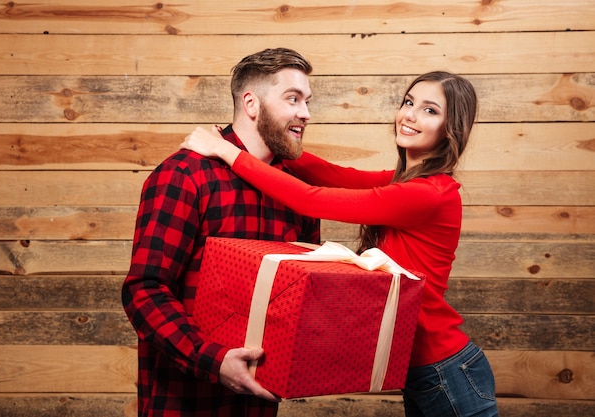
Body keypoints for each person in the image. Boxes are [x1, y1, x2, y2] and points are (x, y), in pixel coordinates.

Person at [181, 71, 499, 417]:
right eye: (409, 103)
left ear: (450, 129)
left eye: (430, 110)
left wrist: (227, 151)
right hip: (427, 372)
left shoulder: (428, 195)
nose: (410, 115)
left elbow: (311, 199)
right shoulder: (404, 183)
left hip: (447, 369)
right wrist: (265, 136)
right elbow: (335, 176)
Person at [122, 47, 320, 417]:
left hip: (258, 406)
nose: (305, 113)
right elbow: (144, 291)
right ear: (251, 103)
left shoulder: (296, 192)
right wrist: (212, 360)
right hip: (184, 403)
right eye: (293, 99)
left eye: (307, 101)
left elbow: (298, 300)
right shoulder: (185, 175)